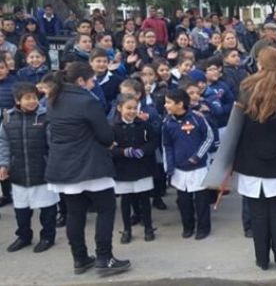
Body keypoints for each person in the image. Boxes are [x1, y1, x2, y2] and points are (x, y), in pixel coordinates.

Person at [44, 61, 130, 275]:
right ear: (81, 81)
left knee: (75, 213)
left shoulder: (53, 98)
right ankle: (104, 257)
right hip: (91, 164)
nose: (94, 83)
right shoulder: (87, 100)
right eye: (92, 79)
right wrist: (110, 141)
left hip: (64, 165)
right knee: (106, 209)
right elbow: (105, 135)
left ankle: (80, 259)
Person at [233, 46, 276, 271]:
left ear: (259, 64)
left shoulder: (246, 89)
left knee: (258, 214)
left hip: (251, 162)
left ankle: (262, 260)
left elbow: (237, 128)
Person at [0, 82, 58, 253]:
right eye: (27, 98)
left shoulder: (46, 117)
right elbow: (3, 144)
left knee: (47, 208)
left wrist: (53, 164)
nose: (32, 101)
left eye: (34, 97)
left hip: (42, 170)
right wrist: (4, 164)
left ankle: (48, 236)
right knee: (21, 209)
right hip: (18, 172)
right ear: (18, 101)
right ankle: (24, 236)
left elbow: (53, 144)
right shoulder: (8, 119)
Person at [162, 88, 215, 240]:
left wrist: (197, 156)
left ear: (180, 104)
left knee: (202, 201)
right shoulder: (167, 122)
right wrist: (169, 167)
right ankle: (188, 227)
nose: (166, 105)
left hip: (199, 168)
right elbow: (166, 146)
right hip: (179, 169)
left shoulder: (197, 118)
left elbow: (209, 138)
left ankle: (203, 228)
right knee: (183, 201)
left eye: (169, 103)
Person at [111, 94, 159, 243]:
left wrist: (143, 151)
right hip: (122, 169)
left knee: (144, 199)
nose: (132, 111)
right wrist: (124, 152)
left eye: (134, 108)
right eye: (128, 108)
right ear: (119, 108)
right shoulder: (112, 126)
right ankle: (127, 230)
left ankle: (148, 228)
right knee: (126, 201)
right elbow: (109, 148)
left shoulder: (143, 124)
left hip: (142, 167)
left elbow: (153, 141)